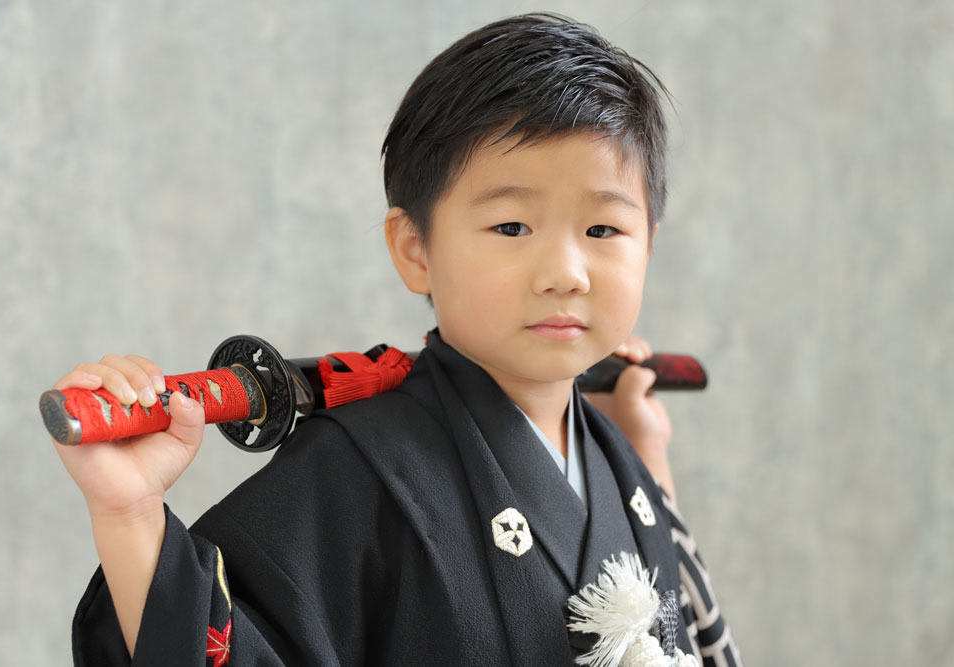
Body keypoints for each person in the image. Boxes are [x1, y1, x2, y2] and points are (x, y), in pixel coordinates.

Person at [53, 13, 742, 667]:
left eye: (602, 230)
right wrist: (130, 512)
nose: (565, 273)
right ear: (415, 247)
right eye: (511, 227)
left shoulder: (620, 464)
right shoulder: (362, 465)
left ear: (648, 244)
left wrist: (646, 462)